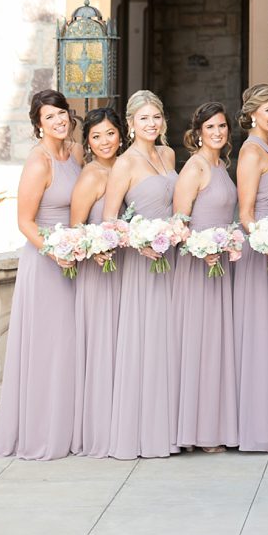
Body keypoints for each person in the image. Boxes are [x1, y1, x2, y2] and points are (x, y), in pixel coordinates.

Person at [0, 90, 81, 459]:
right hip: (46, 263)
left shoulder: (75, 153)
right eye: (49, 117)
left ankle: (70, 427)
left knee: (71, 347)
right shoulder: (38, 163)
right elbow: (24, 222)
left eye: (61, 113)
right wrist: (55, 252)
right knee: (48, 347)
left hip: (76, 259)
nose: (59, 121)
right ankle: (42, 433)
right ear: (38, 125)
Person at [107, 89, 181, 459]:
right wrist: (139, 242)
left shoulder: (168, 154)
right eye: (144, 118)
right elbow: (110, 218)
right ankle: (142, 432)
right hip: (143, 260)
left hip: (175, 258)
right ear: (131, 123)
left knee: (171, 340)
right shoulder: (125, 163)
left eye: (156, 117)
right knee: (147, 339)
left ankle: (170, 427)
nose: (151, 124)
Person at [171, 101, 239, 451]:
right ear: (197, 133)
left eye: (222, 127)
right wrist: (203, 248)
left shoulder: (222, 166)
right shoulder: (195, 168)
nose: (217, 132)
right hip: (197, 267)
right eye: (210, 127)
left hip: (220, 265)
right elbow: (179, 223)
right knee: (198, 345)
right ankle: (194, 432)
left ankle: (214, 427)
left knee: (216, 346)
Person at [233, 84, 268, 451]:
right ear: (253, 113)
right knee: (260, 335)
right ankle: (256, 428)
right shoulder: (251, 151)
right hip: (260, 251)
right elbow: (245, 213)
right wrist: (265, 241)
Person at [70, 107, 127, 458]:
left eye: (110, 133)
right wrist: (94, 251)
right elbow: (77, 226)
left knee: (122, 348)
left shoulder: (125, 167)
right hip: (100, 269)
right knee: (102, 347)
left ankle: (122, 422)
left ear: (121, 134)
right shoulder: (90, 176)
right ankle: (100, 430)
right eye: (96, 136)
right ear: (88, 143)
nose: (105, 141)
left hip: (126, 269)